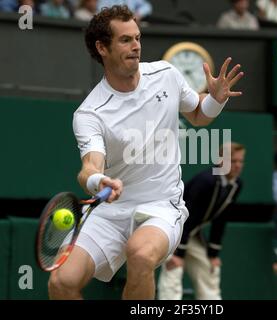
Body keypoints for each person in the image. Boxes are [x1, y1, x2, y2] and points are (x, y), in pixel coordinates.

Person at [47, 5, 244, 300]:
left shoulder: (167, 74)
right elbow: (89, 166)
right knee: (62, 282)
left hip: (162, 207)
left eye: (137, 37)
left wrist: (214, 100)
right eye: (125, 40)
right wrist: (98, 181)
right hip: (110, 213)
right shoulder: (90, 113)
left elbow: (198, 115)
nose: (136, 46)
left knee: (140, 254)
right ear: (102, 48)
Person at [157, 142, 245, 300]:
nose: (238, 165)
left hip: (192, 233)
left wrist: (213, 253)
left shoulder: (236, 185)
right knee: (174, 269)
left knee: (209, 268)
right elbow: (186, 215)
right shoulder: (206, 180)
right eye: (233, 161)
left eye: (240, 161)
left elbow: (221, 219)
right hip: (173, 227)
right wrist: (178, 252)